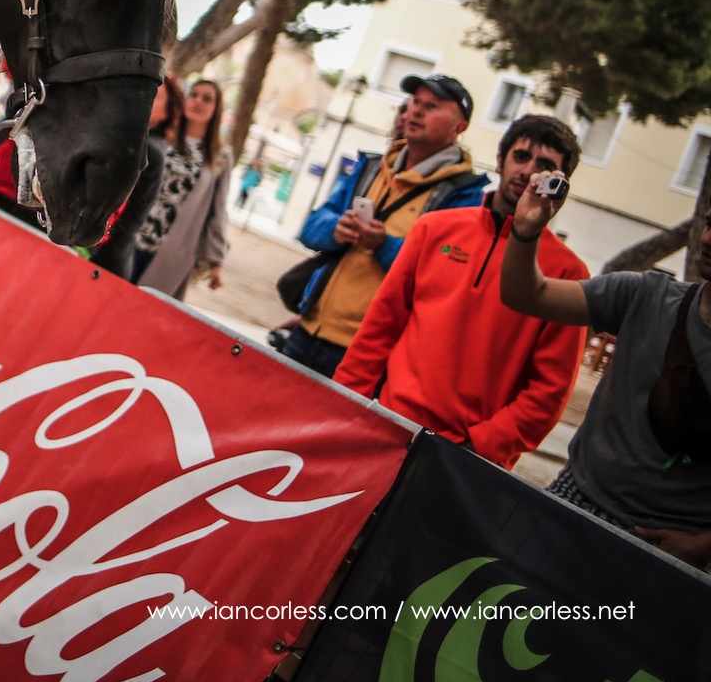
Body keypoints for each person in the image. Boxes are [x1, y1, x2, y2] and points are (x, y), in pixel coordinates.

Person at [336, 115, 589, 468]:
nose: (528, 172)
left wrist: (481, 446)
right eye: (520, 157)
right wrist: (345, 401)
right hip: (389, 424)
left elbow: (550, 390)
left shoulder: (569, 274)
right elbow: (381, 326)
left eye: (544, 166)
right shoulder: (434, 229)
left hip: (468, 460)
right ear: (500, 160)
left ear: (560, 183)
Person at [503, 195, 711, 569]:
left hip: (665, 557)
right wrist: (524, 232)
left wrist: (702, 547)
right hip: (570, 506)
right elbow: (527, 294)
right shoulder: (647, 295)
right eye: (709, 224)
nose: (706, 239)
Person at [276, 74, 491, 378]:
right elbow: (311, 226)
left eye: (432, 106)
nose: (416, 111)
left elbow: (444, 274)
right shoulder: (373, 167)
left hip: (369, 354)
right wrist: (336, 229)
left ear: (460, 127)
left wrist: (383, 245)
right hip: (309, 329)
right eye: (415, 102)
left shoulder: (464, 195)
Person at [135, 78, 232, 300]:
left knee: (142, 310)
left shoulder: (220, 156)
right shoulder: (160, 136)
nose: (197, 101)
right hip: (129, 236)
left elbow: (218, 211)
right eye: (193, 95)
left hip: (169, 251)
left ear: (216, 109)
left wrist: (217, 261)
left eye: (207, 99)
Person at [89, 74, 187, 276]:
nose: (144, 98)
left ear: (167, 112)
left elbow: (131, 219)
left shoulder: (149, 149)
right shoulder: (136, 139)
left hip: (101, 262)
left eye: (154, 96)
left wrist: (91, 256)